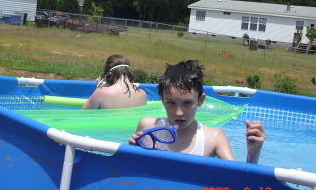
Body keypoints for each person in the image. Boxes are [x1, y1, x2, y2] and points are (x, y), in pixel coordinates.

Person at [129, 60, 265, 163]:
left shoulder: (214, 138)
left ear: (200, 100)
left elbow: (240, 183)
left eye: (187, 103)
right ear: (162, 100)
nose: (179, 113)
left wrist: (253, 153)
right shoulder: (147, 127)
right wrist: (134, 152)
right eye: (171, 103)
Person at [82, 54, 147, 109]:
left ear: (110, 73)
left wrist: (97, 88)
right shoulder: (143, 95)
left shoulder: (101, 93)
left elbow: (84, 113)